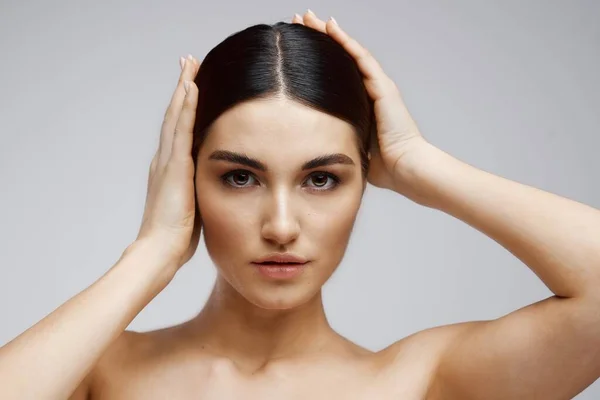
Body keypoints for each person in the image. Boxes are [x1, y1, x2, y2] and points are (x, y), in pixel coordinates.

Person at [1, 9, 599, 400]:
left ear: (364, 180)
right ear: (187, 182)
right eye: (240, 177)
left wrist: (419, 162)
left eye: (321, 180)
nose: (281, 226)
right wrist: (151, 253)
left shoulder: (418, 384)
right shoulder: (101, 373)